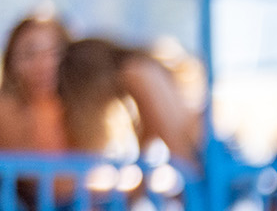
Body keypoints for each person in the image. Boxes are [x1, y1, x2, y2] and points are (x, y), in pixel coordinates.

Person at [59, 37, 203, 165]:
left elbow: (180, 154)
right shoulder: (136, 77)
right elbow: (149, 146)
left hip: (203, 154)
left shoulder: (137, 73)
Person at [0, 14, 71, 152]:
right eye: (29, 54)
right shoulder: (4, 113)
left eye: (55, 52)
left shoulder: (91, 115)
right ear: (11, 65)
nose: (44, 64)